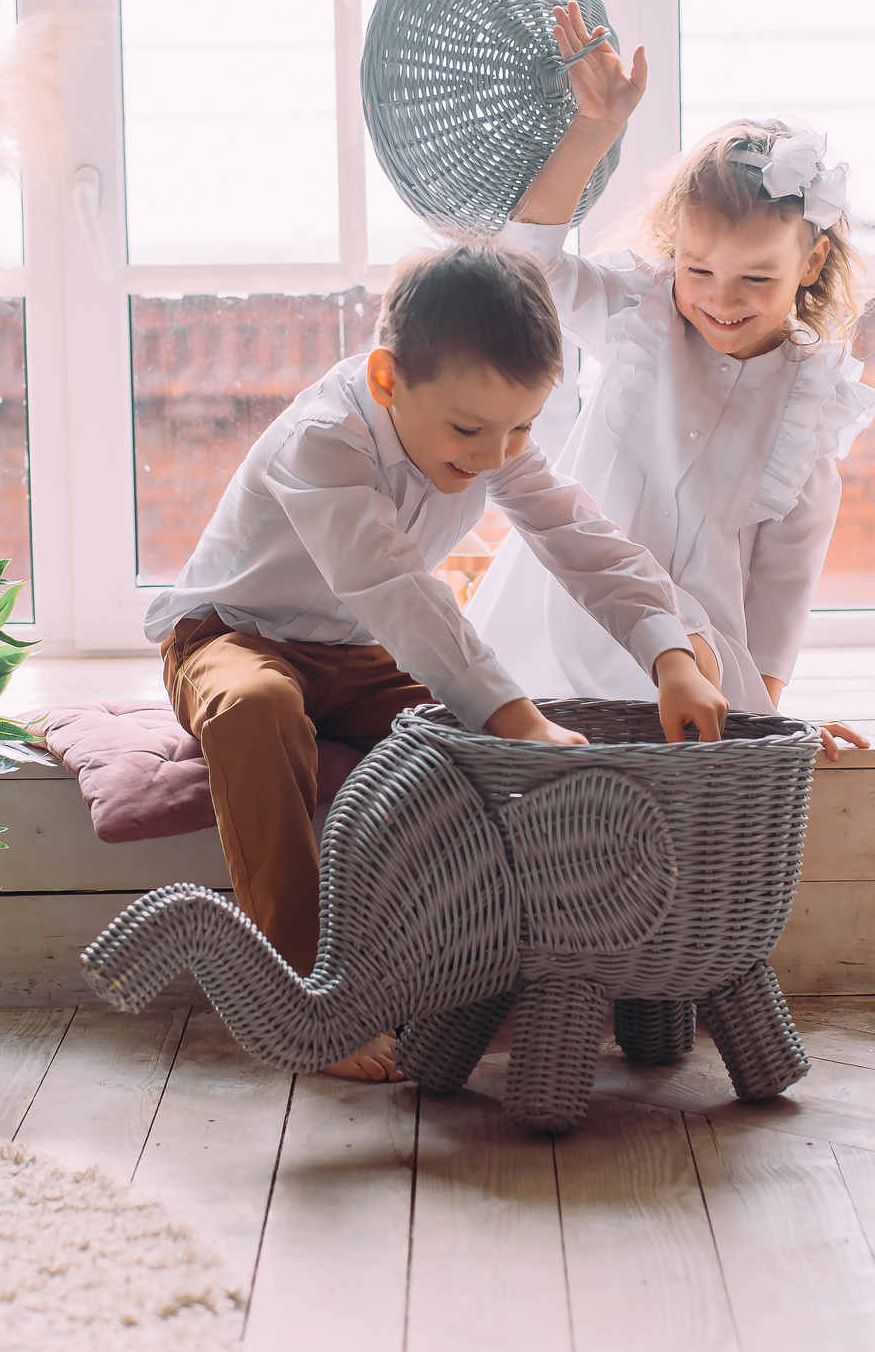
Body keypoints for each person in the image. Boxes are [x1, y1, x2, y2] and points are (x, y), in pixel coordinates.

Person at [145, 241, 729, 1082]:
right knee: (259, 706)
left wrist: (670, 653)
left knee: (472, 739)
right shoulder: (323, 442)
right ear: (388, 379)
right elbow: (395, 588)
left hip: (358, 652)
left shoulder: (486, 433)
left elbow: (586, 541)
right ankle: (311, 998)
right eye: (469, 430)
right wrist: (516, 717)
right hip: (234, 635)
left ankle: (495, 970)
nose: (495, 455)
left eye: (522, 426)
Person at [468, 2, 875, 760]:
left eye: (757, 277)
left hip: (694, 673)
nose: (721, 300)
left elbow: (779, 595)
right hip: (555, 623)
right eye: (699, 270)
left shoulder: (808, 408)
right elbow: (529, 271)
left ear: (812, 264)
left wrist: (767, 724)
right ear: (674, 253)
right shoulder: (641, 319)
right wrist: (593, 128)